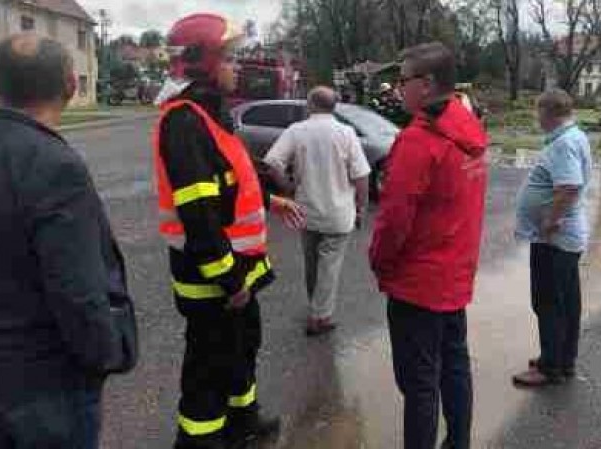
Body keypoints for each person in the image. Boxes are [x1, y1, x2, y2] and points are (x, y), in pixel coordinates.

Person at [153, 14, 305, 449]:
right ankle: (200, 440)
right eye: (230, 56)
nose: (237, 65)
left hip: (238, 269)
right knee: (209, 364)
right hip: (212, 277)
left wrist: (269, 199)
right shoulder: (184, 121)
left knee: (243, 348)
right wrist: (228, 278)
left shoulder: (210, 113)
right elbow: (198, 211)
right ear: (203, 60)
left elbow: (231, 181)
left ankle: (243, 422)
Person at [0, 34, 130, 448]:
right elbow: (78, 289)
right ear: (71, 85)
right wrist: (106, 355)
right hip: (44, 389)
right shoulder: (54, 165)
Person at [369, 42, 488, 449]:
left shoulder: (418, 142)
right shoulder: (469, 129)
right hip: (455, 276)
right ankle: (458, 442)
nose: (398, 88)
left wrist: (379, 262)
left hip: (417, 284)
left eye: (404, 80)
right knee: (454, 367)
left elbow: (393, 219)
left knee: (419, 384)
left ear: (428, 83)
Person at [265, 86, 371, 336]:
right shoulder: (346, 133)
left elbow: (272, 164)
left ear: (310, 104)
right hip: (338, 214)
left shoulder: (296, 131)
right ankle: (319, 316)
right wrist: (361, 207)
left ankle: (317, 309)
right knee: (328, 267)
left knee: (313, 265)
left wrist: (289, 188)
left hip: (306, 211)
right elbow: (362, 176)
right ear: (333, 106)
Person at [513, 89, 593, 387]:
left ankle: (549, 368)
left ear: (548, 112)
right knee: (566, 302)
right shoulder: (574, 137)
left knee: (548, 302)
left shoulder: (563, 144)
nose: (537, 119)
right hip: (564, 238)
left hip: (556, 238)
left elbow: (569, 186)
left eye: (538, 112)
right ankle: (562, 359)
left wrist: (549, 221)